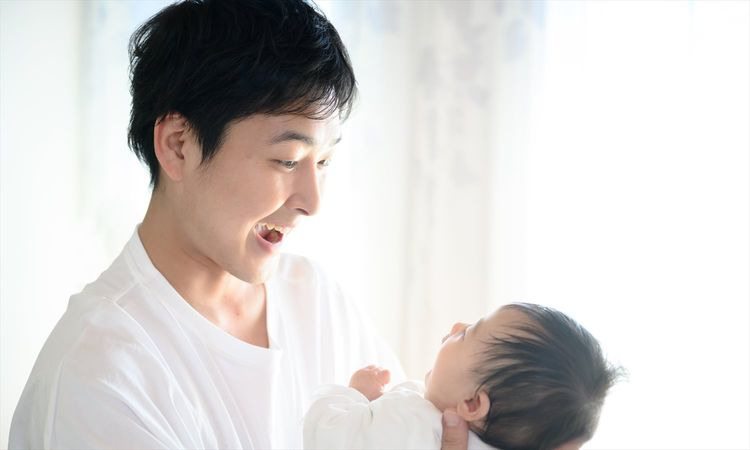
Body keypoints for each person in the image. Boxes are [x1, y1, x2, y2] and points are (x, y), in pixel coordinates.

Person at [8, 0, 470, 448]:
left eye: (324, 161)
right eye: (287, 160)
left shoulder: (316, 300)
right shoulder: (101, 372)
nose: (312, 202)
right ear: (178, 145)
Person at [304, 303, 620, 450]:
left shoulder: (412, 423)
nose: (456, 326)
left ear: (471, 404)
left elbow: (324, 435)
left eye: (467, 334)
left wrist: (356, 395)